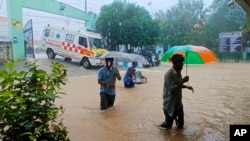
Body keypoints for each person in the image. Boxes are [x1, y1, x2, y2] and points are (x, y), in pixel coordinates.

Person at [159, 54, 194, 130]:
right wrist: (183, 81)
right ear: (175, 63)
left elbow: (178, 85)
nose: (183, 64)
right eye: (181, 62)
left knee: (181, 125)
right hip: (170, 104)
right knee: (168, 127)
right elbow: (172, 89)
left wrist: (186, 86)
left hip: (178, 103)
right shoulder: (169, 74)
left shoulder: (178, 72)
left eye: (183, 62)